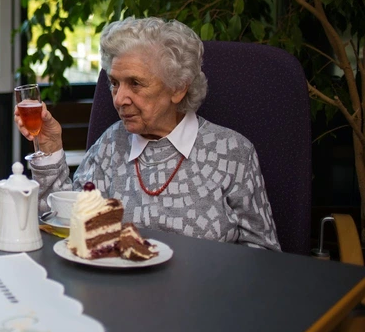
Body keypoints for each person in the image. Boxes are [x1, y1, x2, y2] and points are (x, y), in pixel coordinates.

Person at [19, 17, 281, 251]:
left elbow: (265, 256)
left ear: (178, 88)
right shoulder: (111, 144)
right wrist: (50, 149)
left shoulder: (232, 153)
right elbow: (67, 227)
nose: (119, 99)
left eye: (135, 83)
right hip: (118, 287)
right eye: (114, 83)